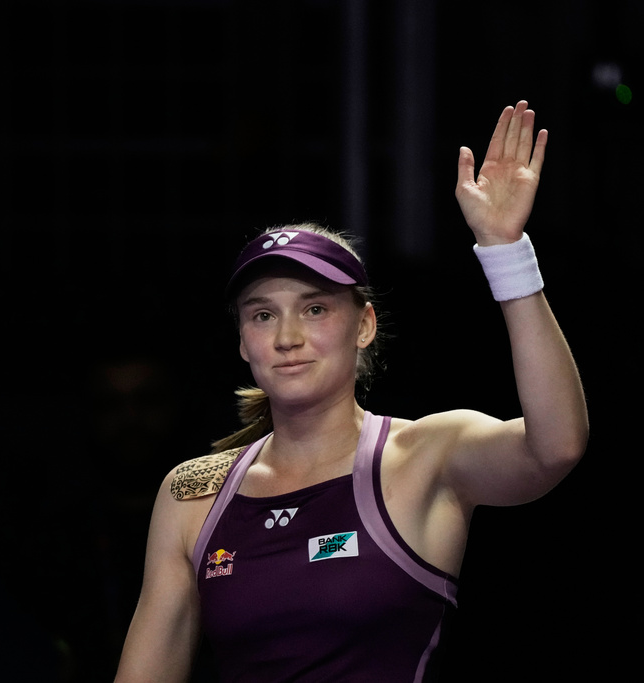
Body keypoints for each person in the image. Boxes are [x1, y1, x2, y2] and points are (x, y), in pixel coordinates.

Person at [113, 100, 589, 682]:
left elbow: (556, 446)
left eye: (314, 309)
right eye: (262, 316)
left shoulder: (426, 454)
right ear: (242, 341)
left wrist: (505, 250)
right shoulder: (192, 493)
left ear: (363, 325)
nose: (287, 337)